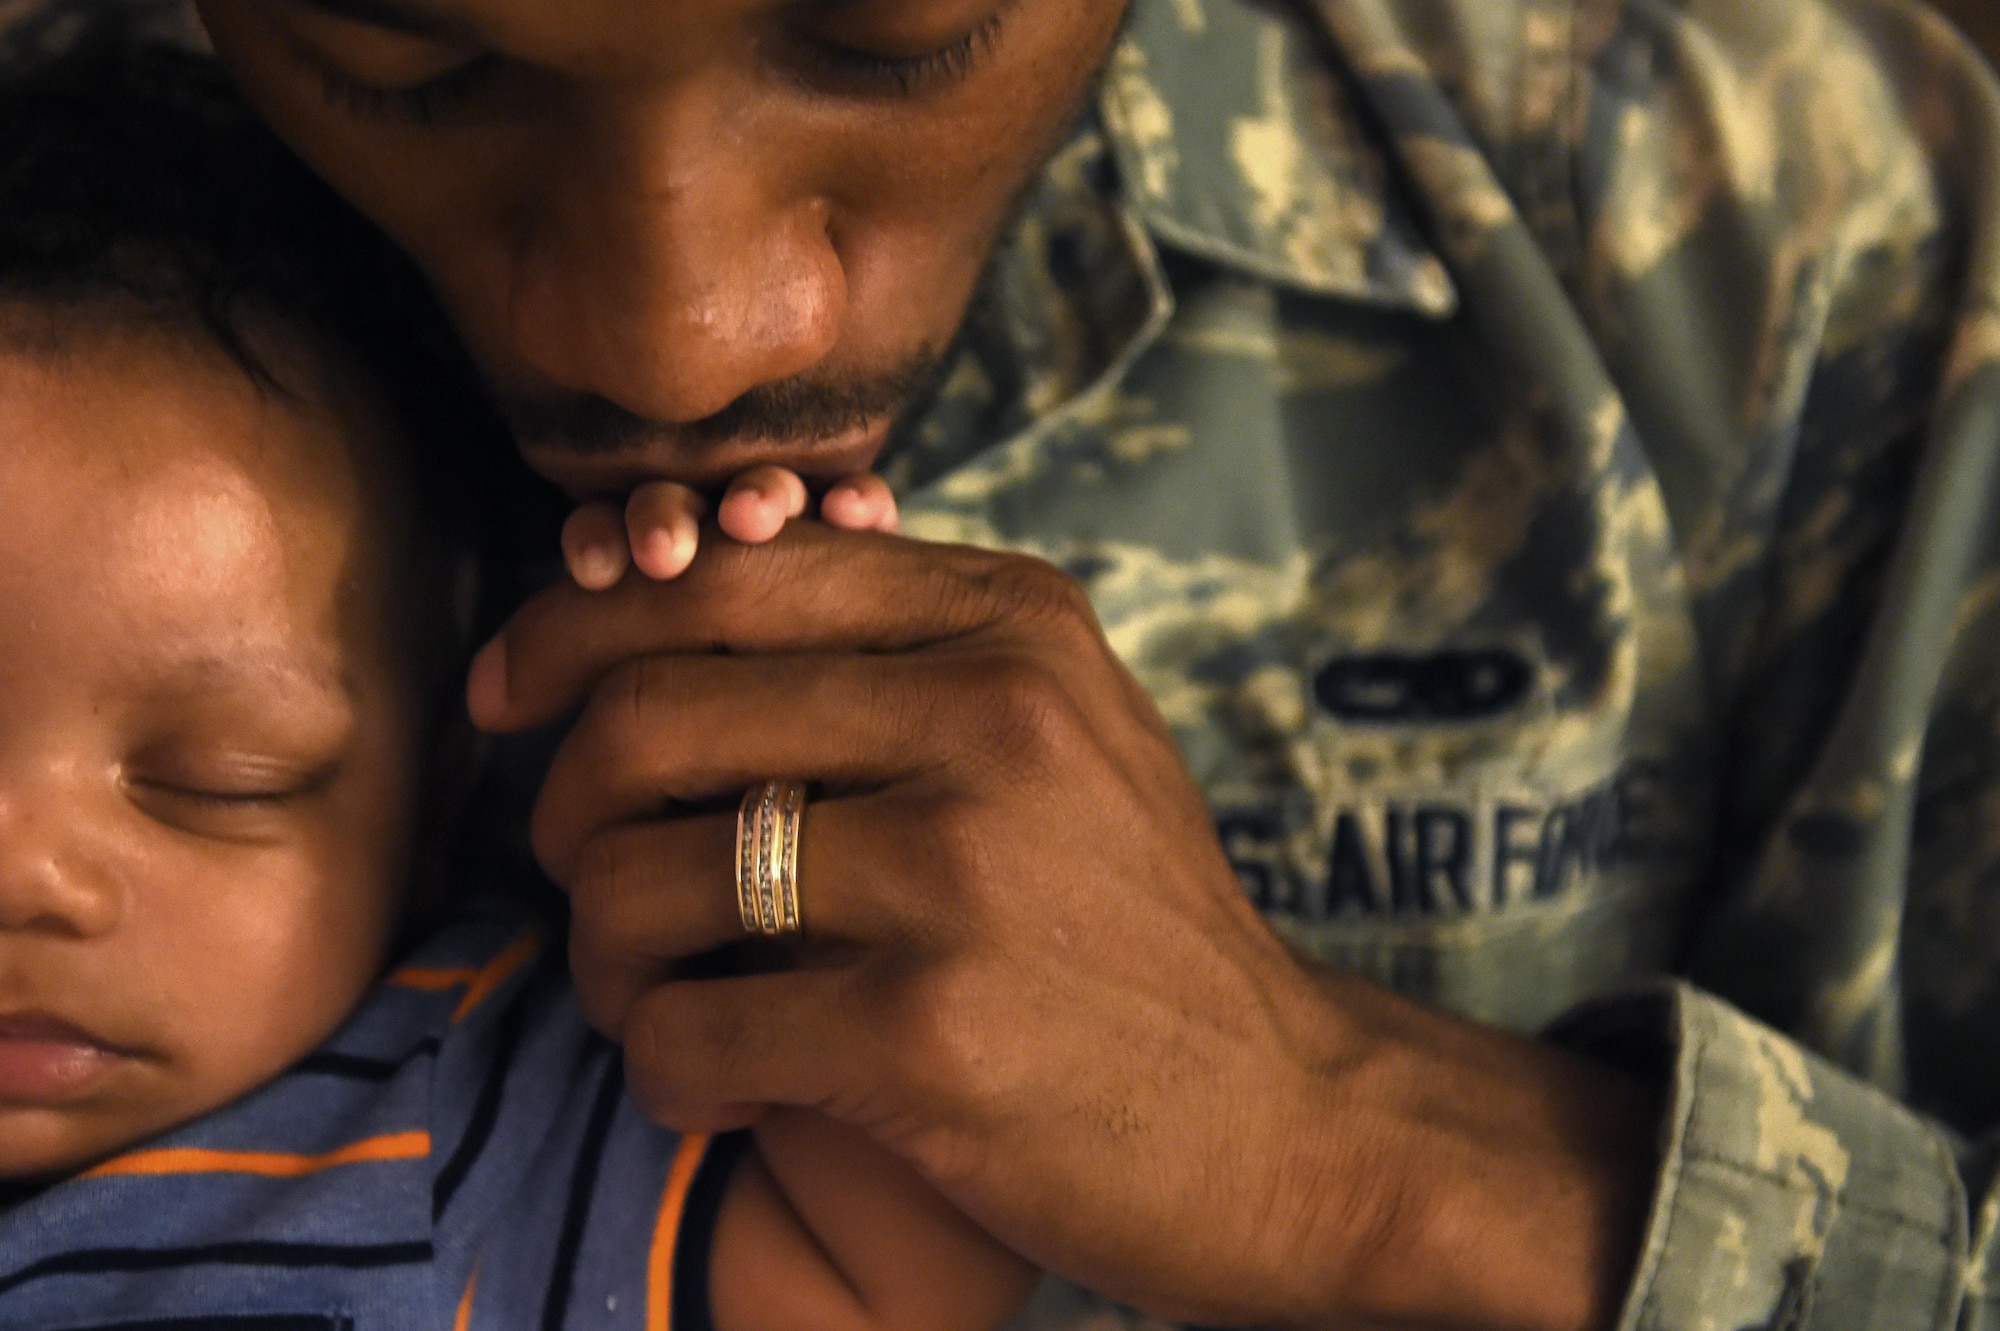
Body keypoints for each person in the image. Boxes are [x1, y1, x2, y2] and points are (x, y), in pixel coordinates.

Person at [86, 0, 2000, 1325]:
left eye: (893, 33)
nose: (677, 340)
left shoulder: (1760, 214)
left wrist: (1372, 1156)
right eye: (402, 56)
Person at [0, 40, 1036, 1331]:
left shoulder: (469, 1133)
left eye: (218, 784)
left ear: (436, 804)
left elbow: (904, 1270)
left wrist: (784, 688)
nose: (25, 874)